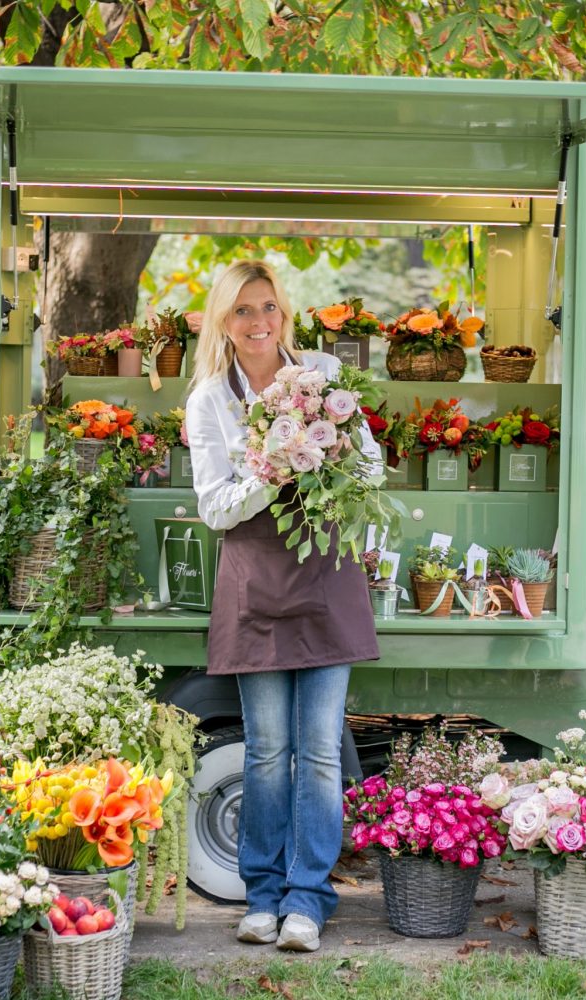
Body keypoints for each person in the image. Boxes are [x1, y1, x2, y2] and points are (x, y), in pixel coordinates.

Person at [184, 259, 381, 952]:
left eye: (267, 306)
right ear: (223, 321)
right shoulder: (210, 399)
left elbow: (373, 465)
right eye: (242, 310)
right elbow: (214, 508)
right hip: (256, 584)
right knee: (267, 751)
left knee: (321, 751)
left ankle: (308, 901)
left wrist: (324, 452)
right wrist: (275, 467)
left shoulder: (321, 374)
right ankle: (262, 896)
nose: (258, 321)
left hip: (326, 576)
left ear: (283, 312)